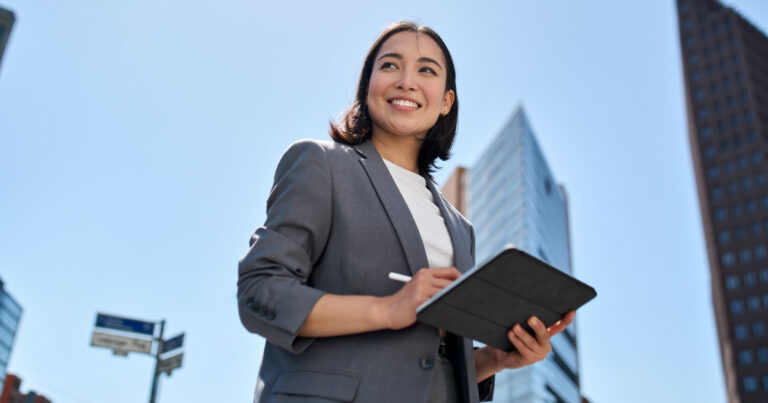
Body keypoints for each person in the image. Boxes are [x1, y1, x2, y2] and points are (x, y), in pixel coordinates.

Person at [237, 21, 575, 403]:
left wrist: (495, 358)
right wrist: (386, 309)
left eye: (426, 70)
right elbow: (260, 293)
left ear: (446, 102)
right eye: (390, 66)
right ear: (368, 86)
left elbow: (428, 362)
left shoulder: (460, 228)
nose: (406, 81)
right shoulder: (321, 163)